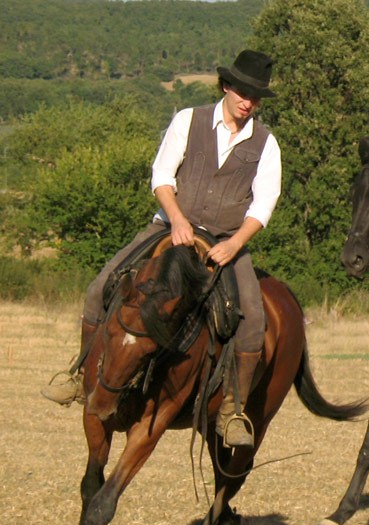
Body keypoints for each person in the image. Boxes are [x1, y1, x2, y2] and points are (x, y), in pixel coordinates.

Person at [43, 50, 283, 447]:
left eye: (256, 97)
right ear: (227, 86)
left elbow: (264, 203)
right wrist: (176, 219)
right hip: (169, 226)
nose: (249, 102)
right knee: (99, 287)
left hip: (226, 240)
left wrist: (236, 244)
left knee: (254, 319)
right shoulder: (188, 120)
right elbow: (162, 175)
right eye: (244, 92)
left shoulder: (266, 143)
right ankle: (79, 374)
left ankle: (232, 410)